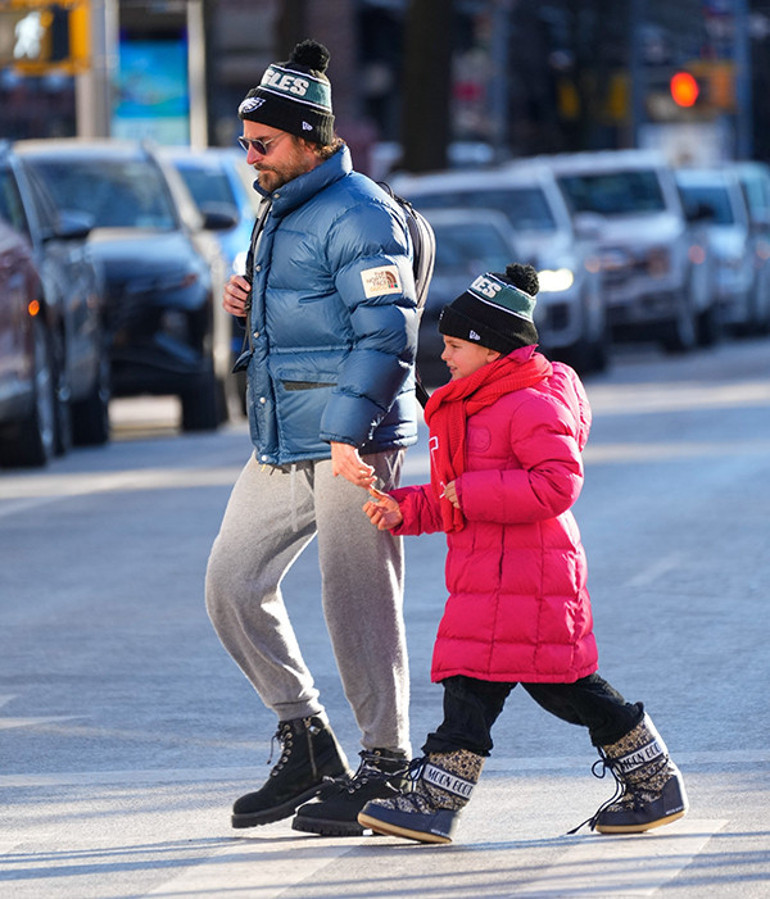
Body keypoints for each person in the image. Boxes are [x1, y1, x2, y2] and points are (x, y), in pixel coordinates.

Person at [357, 263, 688, 844]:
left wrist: (472, 492)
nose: (447, 356)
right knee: (474, 683)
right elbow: (457, 497)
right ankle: (438, 801)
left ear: (490, 349)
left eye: (456, 346)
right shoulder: (475, 402)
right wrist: (407, 508)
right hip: (488, 574)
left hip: (530, 576)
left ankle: (652, 781)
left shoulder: (530, 402)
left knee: (558, 686)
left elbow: (558, 483)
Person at [205, 39, 419, 837]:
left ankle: (387, 764)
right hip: (284, 437)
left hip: (351, 442)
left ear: (308, 139)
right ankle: (307, 740)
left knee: (356, 602)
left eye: (262, 143)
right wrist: (246, 299)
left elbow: (386, 336)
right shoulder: (281, 207)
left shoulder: (360, 211)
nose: (248, 155)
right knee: (230, 583)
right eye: (245, 142)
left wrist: (347, 438)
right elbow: (301, 327)